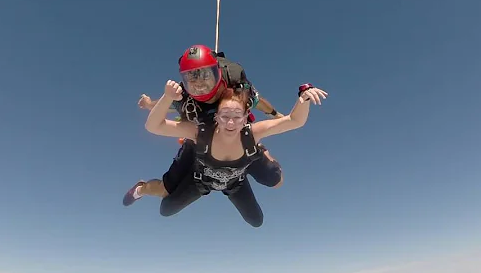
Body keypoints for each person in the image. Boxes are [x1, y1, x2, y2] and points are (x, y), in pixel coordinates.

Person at [124, 79, 328, 227]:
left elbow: (295, 121)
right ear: (216, 118)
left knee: (257, 219)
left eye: (237, 117)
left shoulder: (252, 133)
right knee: (165, 209)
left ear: (246, 118)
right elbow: (153, 126)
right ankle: (142, 188)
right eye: (225, 116)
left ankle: (261, 153)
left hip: (234, 183)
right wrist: (167, 98)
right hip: (200, 181)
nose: (231, 123)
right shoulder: (201, 133)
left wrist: (304, 97)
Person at [137, 45, 285, 191]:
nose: (200, 86)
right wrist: (150, 103)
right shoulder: (185, 99)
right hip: (199, 143)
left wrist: (275, 114)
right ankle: (141, 188)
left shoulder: (236, 89)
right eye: (192, 82)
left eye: (205, 77)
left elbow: (258, 102)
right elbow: (166, 105)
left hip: (237, 139)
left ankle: (261, 150)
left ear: (218, 72)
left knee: (276, 180)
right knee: (165, 191)